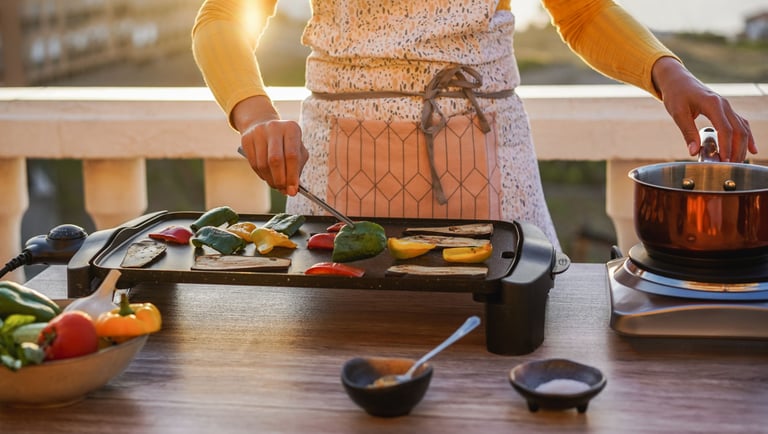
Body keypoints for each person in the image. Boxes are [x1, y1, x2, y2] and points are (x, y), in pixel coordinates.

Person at [191, 0, 757, 250]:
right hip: (335, 172)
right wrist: (255, 112)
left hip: (490, 158)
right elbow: (222, 15)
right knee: (336, 356)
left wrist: (669, 73)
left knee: (509, 348)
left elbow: (582, 10)